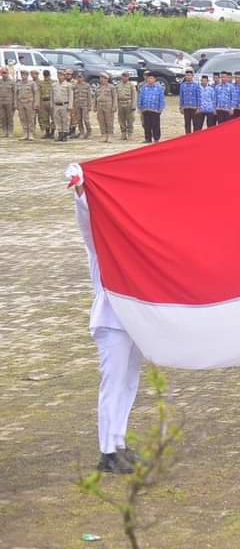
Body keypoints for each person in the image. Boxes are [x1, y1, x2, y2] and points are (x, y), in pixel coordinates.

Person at [72, 181, 143, 474]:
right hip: (111, 323)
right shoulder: (99, 247)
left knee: (129, 382)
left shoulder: (133, 247)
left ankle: (119, 443)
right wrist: (80, 195)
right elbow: (88, 223)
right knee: (112, 385)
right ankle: (107, 453)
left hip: (136, 322)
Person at [138, 74, 165, 143]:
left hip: (155, 109)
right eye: (149, 78)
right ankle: (148, 139)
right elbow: (140, 97)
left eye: (152, 78)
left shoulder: (159, 88)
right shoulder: (144, 87)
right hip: (145, 109)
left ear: (155, 79)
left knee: (155, 124)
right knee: (147, 125)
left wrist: (160, 108)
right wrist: (139, 106)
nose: (150, 80)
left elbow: (161, 99)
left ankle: (156, 138)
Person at [15, 68, 40, 141]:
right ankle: (25, 133)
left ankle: (31, 134)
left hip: (29, 102)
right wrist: (16, 103)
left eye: (25, 75)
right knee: (23, 118)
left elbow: (36, 93)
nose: (23, 76)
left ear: (27, 75)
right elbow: (16, 94)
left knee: (30, 118)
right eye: (22, 74)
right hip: (20, 103)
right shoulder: (18, 83)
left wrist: (36, 103)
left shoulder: (32, 83)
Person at [93, 76, 118, 143]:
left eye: (103, 78)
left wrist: (114, 106)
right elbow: (95, 97)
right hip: (99, 105)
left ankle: (110, 135)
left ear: (107, 79)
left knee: (109, 121)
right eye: (101, 78)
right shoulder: (98, 87)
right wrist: (94, 106)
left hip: (108, 105)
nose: (102, 79)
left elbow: (114, 97)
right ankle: (103, 135)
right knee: (101, 121)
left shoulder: (111, 87)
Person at [52, 72, 74, 142]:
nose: (59, 76)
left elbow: (71, 95)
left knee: (65, 120)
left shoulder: (68, 85)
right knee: (57, 120)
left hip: (65, 105)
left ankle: (65, 134)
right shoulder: (54, 85)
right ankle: (60, 134)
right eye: (58, 75)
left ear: (64, 76)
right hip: (56, 105)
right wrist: (51, 104)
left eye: (61, 75)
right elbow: (52, 95)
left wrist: (70, 105)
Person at [115, 73, 137, 141]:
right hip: (120, 103)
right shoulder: (118, 85)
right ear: (121, 77)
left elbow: (134, 95)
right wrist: (115, 105)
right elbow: (115, 96)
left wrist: (133, 105)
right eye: (123, 76)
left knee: (130, 119)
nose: (124, 78)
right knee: (121, 119)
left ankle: (130, 134)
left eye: (126, 76)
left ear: (128, 77)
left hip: (129, 103)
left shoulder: (131, 85)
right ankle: (123, 133)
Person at [71, 72, 93, 139]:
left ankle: (89, 131)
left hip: (85, 105)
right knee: (79, 119)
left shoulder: (87, 86)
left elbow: (89, 96)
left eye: (81, 77)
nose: (79, 78)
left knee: (86, 119)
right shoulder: (74, 86)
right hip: (77, 105)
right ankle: (82, 132)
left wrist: (90, 105)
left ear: (83, 78)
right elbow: (73, 96)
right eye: (78, 77)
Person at [36, 68, 55, 139]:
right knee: (44, 118)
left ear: (49, 75)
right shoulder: (41, 83)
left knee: (53, 118)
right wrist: (38, 103)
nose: (46, 77)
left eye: (47, 76)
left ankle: (52, 132)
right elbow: (38, 93)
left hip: (51, 101)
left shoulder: (53, 83)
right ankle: (47, 132)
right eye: (45, 76)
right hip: (43, 102)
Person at [0, 62, 15, 137]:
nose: (4, 74)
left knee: (10, 117)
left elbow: (15, 93)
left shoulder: (12, 82)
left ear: (7, 73)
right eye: (2, 73)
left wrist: (14, 103)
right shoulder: (0, 81)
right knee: (2, 117)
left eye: (5, 72)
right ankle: (4, 131)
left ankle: (10, 131)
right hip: (1, 102)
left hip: (9, 102)